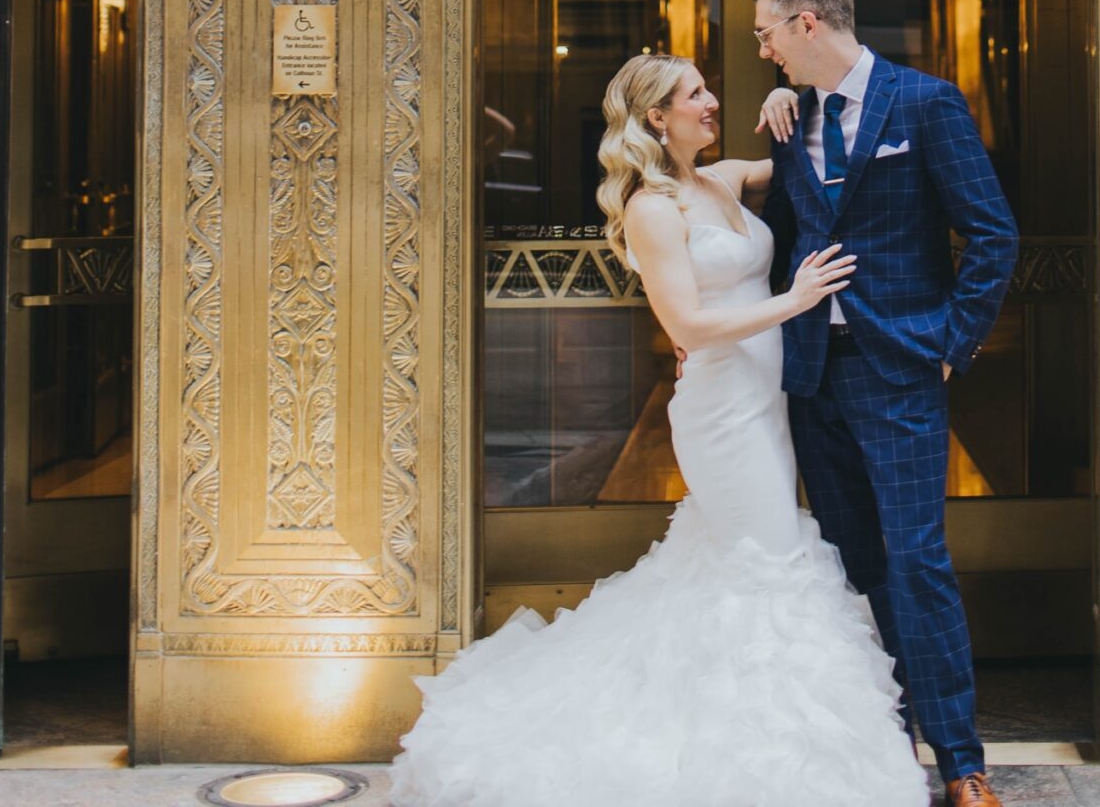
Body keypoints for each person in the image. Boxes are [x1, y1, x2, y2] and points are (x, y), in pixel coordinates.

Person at [391, 50, 926, 807]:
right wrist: (796, 299)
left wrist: (790, 95)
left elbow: (807, 152)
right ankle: (775, 763)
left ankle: (744, 739)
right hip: (722, 412)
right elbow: (689, 324)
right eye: (696, 94)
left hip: (767, 400)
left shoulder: (723, 178)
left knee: (741, 566)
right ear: (656, 117)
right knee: (768, 565)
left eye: (709, 88)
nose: (712, 102)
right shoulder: (650, 206)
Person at [753, 0, 1020, 807]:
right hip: (813, 377)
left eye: (767, 34)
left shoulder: (924, 103)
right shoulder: (789, 119)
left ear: (807, 25)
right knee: (854, 565)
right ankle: (881, 741)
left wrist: (950, 343)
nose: (763, 53)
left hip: (898, 369)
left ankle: (960, 759)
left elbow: (992, 235)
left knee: (915, 562)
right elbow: (785, 239)